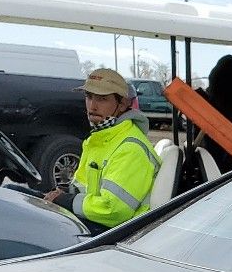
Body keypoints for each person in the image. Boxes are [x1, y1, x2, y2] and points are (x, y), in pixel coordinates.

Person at [45, 67, 160, 232]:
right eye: (89, 97)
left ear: (122, 105)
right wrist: (64, 192)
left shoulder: (130, 148)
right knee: (16, 193)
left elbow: (113, 209)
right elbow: (84, 186)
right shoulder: (98, 140)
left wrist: (66, 201)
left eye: (102, 99)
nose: (92, 106)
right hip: (101, 223)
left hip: (121, 234)